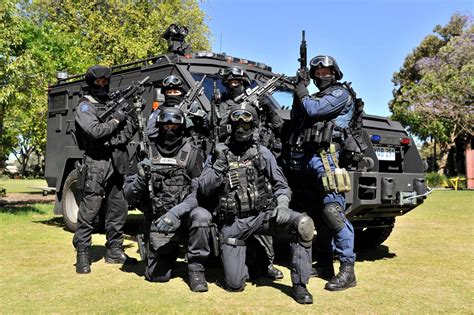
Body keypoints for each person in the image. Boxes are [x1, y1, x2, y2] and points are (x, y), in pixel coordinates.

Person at [197, 104, 315, 304]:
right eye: (237, 124)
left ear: (254, 126)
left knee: (303, 224)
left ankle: (300, 286)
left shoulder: (262, 153)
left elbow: (282, 186)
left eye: (247, 124)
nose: (241, 128)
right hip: (233, 223)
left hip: (263, 216)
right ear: (230, 126)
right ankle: (251, 257)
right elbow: (204, 189)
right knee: (235, 285)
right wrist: (218, 165)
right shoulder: (218, 153)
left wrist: (283, 205)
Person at [123, 107, 211, 292]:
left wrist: (176, 213)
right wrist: (140, 178)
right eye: (166, 124)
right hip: (158, 219)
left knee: (202, 216)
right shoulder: (145, 150)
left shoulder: (192, 152)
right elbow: (128, 194)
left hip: (184, 216)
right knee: (157, 277)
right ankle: (167, 255)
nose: (170, 128)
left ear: (182, 126)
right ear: (159, 126)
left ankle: (196, 270)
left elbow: (199, 194)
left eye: (174, 124)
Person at [291, 55, 357, 291]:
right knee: (317, 214)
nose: (321, 76)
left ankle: (348, 270)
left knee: (333, 212)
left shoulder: (340, 94)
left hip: (329, 158)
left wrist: (302, 90)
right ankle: (325, 264)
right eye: (316, 74)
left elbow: (315, 110)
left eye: (325, 72)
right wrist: (297, 91)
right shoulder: (314, 95)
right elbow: (298, 116)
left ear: (335, 72)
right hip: (309, 158)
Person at [214, 66, 284, 280]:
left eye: (238, 78)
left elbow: (278, 125)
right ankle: (227, 254)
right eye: (230, 78)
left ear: (244, 80)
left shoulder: (259, 100)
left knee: (262, 201)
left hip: (257, 156)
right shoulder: (221, 103)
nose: (234, 81)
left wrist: (266, 107)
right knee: (230, 205)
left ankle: (268, 262)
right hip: (230, 156)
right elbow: (217, 129)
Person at [73, 65, 137, 274]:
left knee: (118, 208)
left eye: (104, 82)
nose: (102, 85)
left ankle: (114, 250)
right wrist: (116, 119)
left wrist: (132, 116)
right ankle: (83, 253)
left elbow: (124, 135)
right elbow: (95, 131)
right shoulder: (85, 106)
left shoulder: (112, 103)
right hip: (96, 161)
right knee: (90, 209)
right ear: (91, 83)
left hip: (117, 159)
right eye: (97, 82)